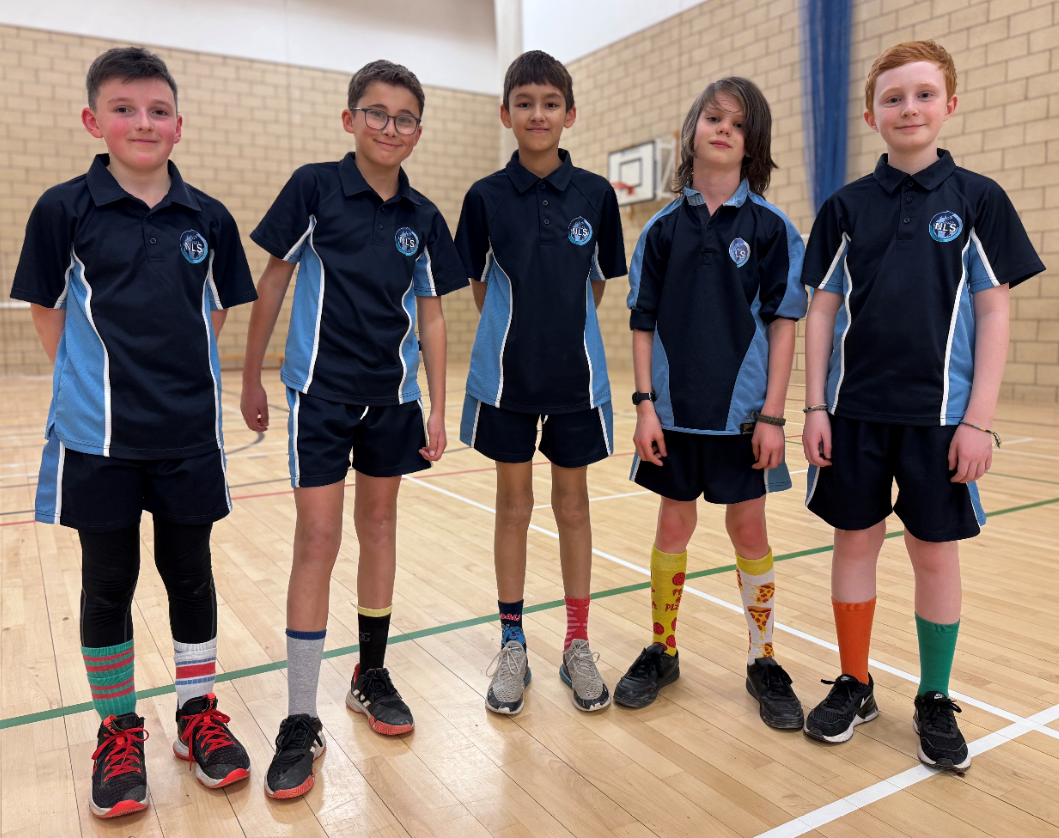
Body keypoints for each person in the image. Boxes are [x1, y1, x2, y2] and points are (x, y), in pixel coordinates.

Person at [11, 47, 258, 818]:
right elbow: (48, 311)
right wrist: (91, 383)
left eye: (157, 111)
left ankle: (196, 715)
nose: (141, 122)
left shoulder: (208, 218)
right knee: (107, 584)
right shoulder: (63, 209)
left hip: (187, 437)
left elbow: (212, 313)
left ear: (178, 125)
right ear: (94, 120)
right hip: (99, 441)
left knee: (190, 576)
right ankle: (119, 730)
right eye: (124, 108)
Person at [800, 40, 1044, 771]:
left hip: (941, 421)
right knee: (854, 542)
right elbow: (819, 310)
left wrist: (977, 420)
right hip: (852, 413)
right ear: (871, 113)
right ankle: (854, 679)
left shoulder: (977, 200)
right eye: (893, 97)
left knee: (933, 553)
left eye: (923, 94)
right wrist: (812, 406)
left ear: (949, 105)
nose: (908, 107)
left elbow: (994, 314)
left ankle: (933, 697)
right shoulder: (845, 206)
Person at [241, 59, 466, 799]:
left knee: (378, 526)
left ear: (418, 131)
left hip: (392, 400)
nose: (388, 127)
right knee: (317, 537)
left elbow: (431, 311)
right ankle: (300, 717)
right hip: (319, 395)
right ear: (349, 120)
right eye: (375, 112)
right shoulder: (315, 187)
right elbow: (273, 280)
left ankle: (370, 673)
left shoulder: (425, 217)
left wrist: (436, 403)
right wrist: (248, 375)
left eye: (403, 118)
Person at [614, 78, 808, 729]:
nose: (724, 128)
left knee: (748, 529)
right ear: (691, 128)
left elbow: (784, 324)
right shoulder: (662, 231)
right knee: (673, 527)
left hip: (744, 419)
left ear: (753, 145)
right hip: (670, 417)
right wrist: (644, 406)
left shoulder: (772, 229)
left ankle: (762, 658)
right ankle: (662, 650)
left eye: (739, 123)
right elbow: (641, 322)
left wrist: (774, 416)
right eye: (713, 117)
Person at [455, 50, 627, 715]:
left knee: (573, 505)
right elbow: (476, 285)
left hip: (576, 382)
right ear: (505, 114)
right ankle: (512, 642)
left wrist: (561, 337)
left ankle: (577, 642)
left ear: (569, 114)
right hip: (506, 380)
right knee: (512, 505)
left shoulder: (596, 195)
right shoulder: (484, 198)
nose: (536, 114)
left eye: (549, 103)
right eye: (524, 103)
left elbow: (599, 282)